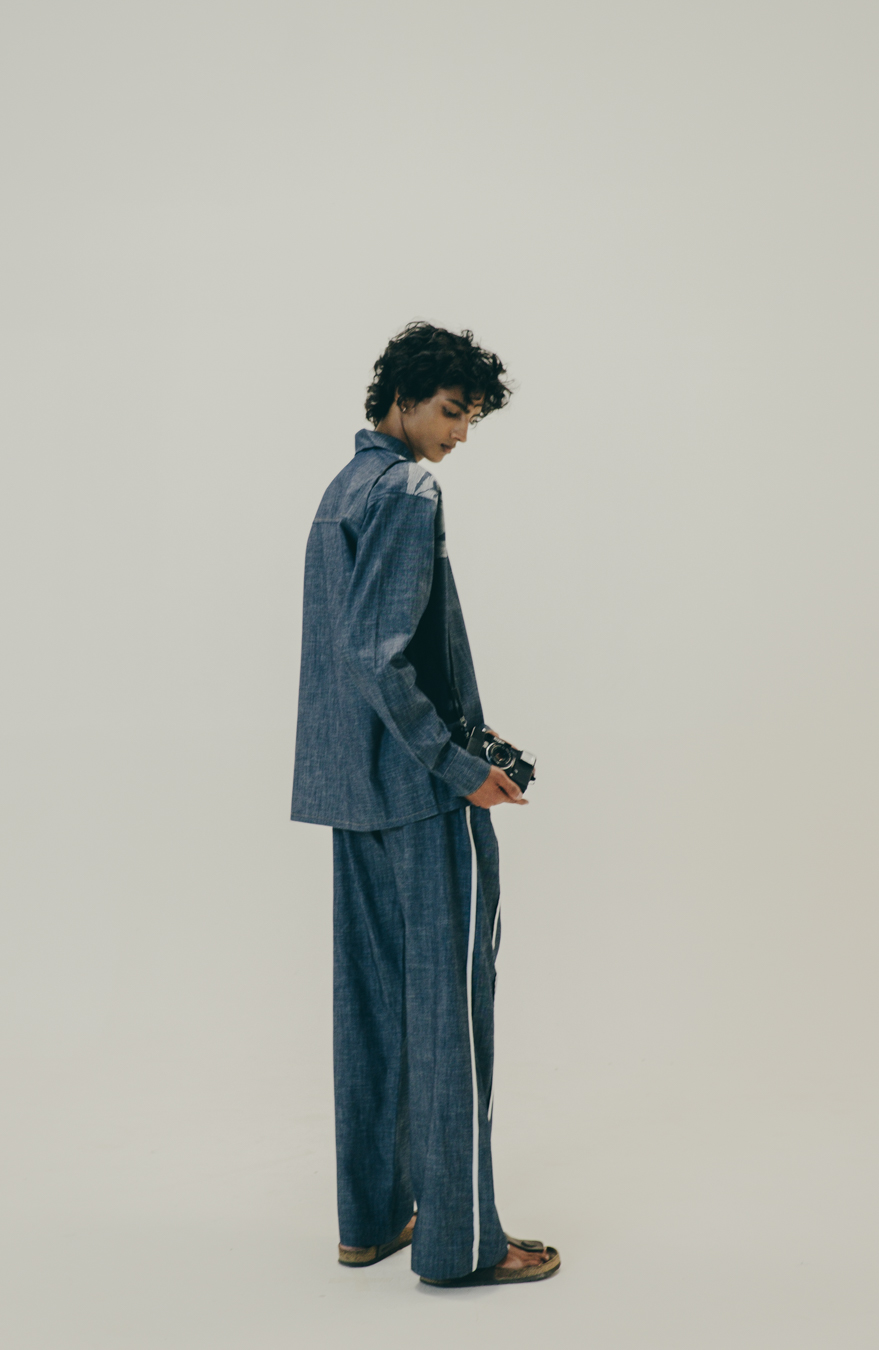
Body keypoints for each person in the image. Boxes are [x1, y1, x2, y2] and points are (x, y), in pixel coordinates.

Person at [291, 321, 559, 1287]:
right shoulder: (407, 489)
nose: (459, 434)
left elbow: (353, 654)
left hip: (349, 789)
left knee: (369, 1011)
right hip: (416, 791)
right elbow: (377, 654)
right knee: (449, 1014)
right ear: (401, 397)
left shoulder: (342, 488)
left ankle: (369, 1222)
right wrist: (457, 765)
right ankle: (462, 1244)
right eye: (451, 411)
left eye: (471, 419)